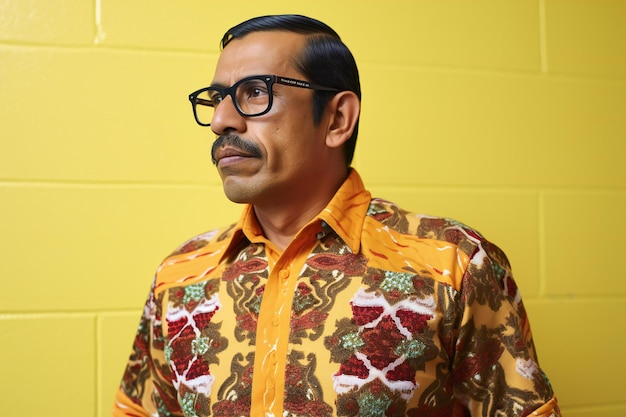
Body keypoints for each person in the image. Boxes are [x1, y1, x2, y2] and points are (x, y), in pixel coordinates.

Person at [113, 14, 560, 417]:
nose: (220, 121)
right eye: (216, 99)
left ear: (337, 119)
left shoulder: (453, 265)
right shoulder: (179, 277)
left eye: (254, 93)